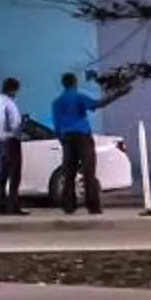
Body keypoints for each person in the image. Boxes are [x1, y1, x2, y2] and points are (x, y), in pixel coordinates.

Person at [47, 72, 104, 215]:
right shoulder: (79, 97)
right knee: (88, 171)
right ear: (74, 83)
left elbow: (56, 123)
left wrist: (62, 139)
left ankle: (68, 206)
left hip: (67, 138)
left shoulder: (57, 102)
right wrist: (115, 95)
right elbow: (96, 104)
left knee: (69, 172)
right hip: (82, 136)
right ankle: (93, 206)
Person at [0, 77, 29, 216]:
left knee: (2, 175)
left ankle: (1, 205)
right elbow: (14, 125)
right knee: (14, 175)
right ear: (13, 89)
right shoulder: (10, 104)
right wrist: (23, 126)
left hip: (1, 143)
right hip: (12, 141)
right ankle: (13, 205)